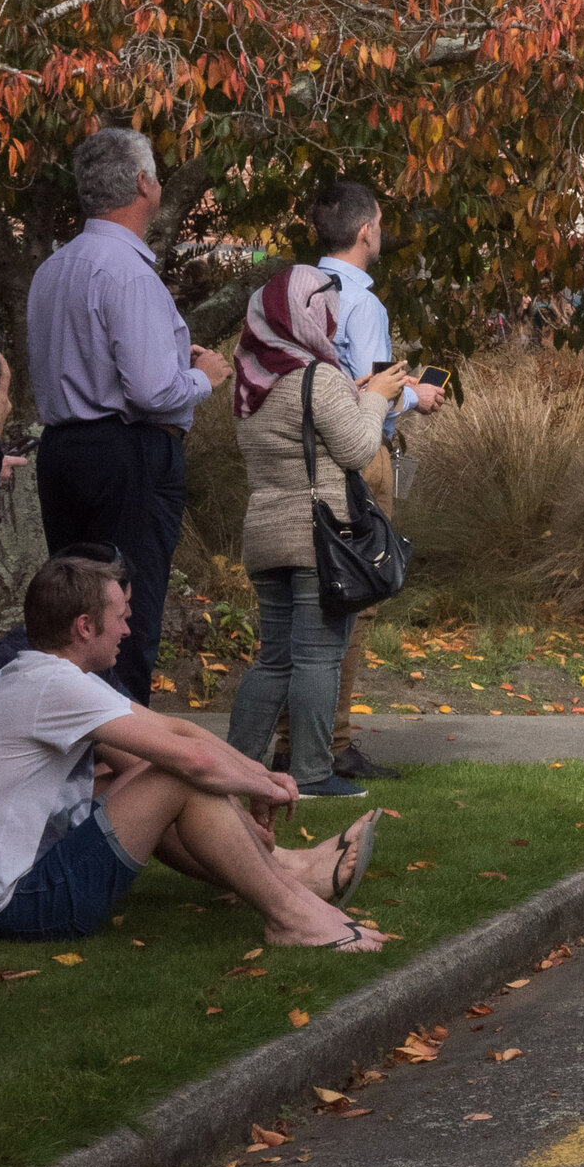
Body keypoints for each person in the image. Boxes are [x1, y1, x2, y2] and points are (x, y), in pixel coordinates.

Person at [0, 550, 383, 953]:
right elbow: (193, 759)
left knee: (152, 772)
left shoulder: (36, 674)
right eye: (121, 617)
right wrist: (266, 788)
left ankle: (293, 893)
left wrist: (261, 776)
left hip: (33, 881)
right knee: (174, 775)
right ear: (85, 627)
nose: (127, 629)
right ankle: (291, 916)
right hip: (24, 905)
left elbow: (178, 729)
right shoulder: (54, 686)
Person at [29, 131, 221, 706]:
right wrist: (208, 376)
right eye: (157, 173)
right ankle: (128, 761)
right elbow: (153, 389)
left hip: (63, 449)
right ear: (142, 183)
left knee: (73, 619)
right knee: (123, 615)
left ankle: (78, 749)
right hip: (126, 452)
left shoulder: (53, 270)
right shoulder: (128, 272)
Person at [227, 265, 413, 802]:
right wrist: (376, 395)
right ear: (311, 314)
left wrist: (352, 394)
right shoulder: (318, 376)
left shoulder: (251, 382)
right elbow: (357, 448)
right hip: (319, 537)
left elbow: (300, 432)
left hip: (264, 533)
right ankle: (311, 773)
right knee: (316, 658)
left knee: (273, 659)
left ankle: (236, 767)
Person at [312, 179, 449, 778]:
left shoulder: (301, 290)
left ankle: (304, 737)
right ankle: (335, 743)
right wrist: (414, 395)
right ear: (366, 230)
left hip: (308, 452)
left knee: (311, 601)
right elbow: (370, 390)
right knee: (356, 593)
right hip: (360, 453)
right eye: (381, 224)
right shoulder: (363, 301)